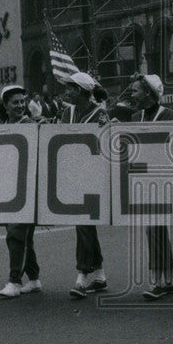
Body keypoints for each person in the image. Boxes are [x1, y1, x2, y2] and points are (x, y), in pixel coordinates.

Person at [58, 72, 113, 300]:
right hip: (72, 177)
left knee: (83, 225)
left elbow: (108, 147)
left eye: (70, 88)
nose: (66, 92)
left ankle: (82, 276)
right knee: (85, 226)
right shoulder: (66, 113)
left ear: (80, 90)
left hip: (94, 178)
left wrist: (106, 129)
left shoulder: (101, 114)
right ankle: (99, 275)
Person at [128, 73, 173, 300]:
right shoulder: (136, 116)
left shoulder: (168, 115)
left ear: (148, 93)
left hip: (163, 179)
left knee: (155, 228)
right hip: (142, 179)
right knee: (156, 228)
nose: (132, 94)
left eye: (135, 90)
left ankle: (158, 280)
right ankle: (168, 279)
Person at [0, 84, 43, 299]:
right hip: (8, 187)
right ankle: (33, 278)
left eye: (22, 101)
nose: (20, 105)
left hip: (27, 187)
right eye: (15, 102)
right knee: (22, 236)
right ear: (5, 106)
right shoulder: (2, 125)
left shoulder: (30, 124)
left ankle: (15, 280)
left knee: (17, 234)